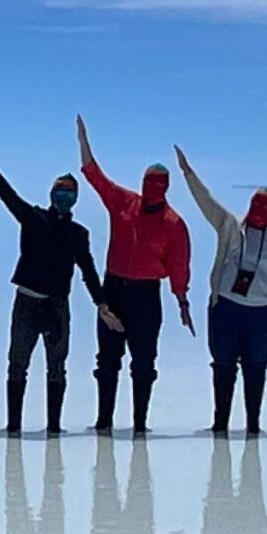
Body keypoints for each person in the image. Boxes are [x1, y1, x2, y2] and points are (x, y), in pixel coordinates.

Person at [0, 142, 116, 438]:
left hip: (56, 307)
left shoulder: (79, 234)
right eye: (59, 191)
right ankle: (13, 427)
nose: (63, 196)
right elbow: (7, 195)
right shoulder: (33, 218)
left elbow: (89, 271)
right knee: (17, 364)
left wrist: (102, 305)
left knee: (57, 367)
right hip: (26, 302)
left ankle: (54, 427)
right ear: (51, 194)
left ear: (75, 199)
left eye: (69, 193)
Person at [176, 145, 267, 437]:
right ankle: (220, 427)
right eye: (256, 204)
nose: (259, 211)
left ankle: (253, 429)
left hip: (260, 316)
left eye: (266, 207)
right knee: (223, 368)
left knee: (256, 370)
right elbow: (207, 203)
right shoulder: (230, 225)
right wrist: (188, 173)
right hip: (225, 309)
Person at [76, 116, 193, 436]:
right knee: (107, 361)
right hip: (114, 288)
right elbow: (96, 177)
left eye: (157, 184)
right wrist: (83, 142)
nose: (150, 188)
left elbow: (179, 266)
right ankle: (104, 422)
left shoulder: (174, 223)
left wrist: (182, 300)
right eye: (147, 182)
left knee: (143, 363)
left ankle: (140, 425)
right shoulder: (124, 202)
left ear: (165, 188)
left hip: (146, 296)